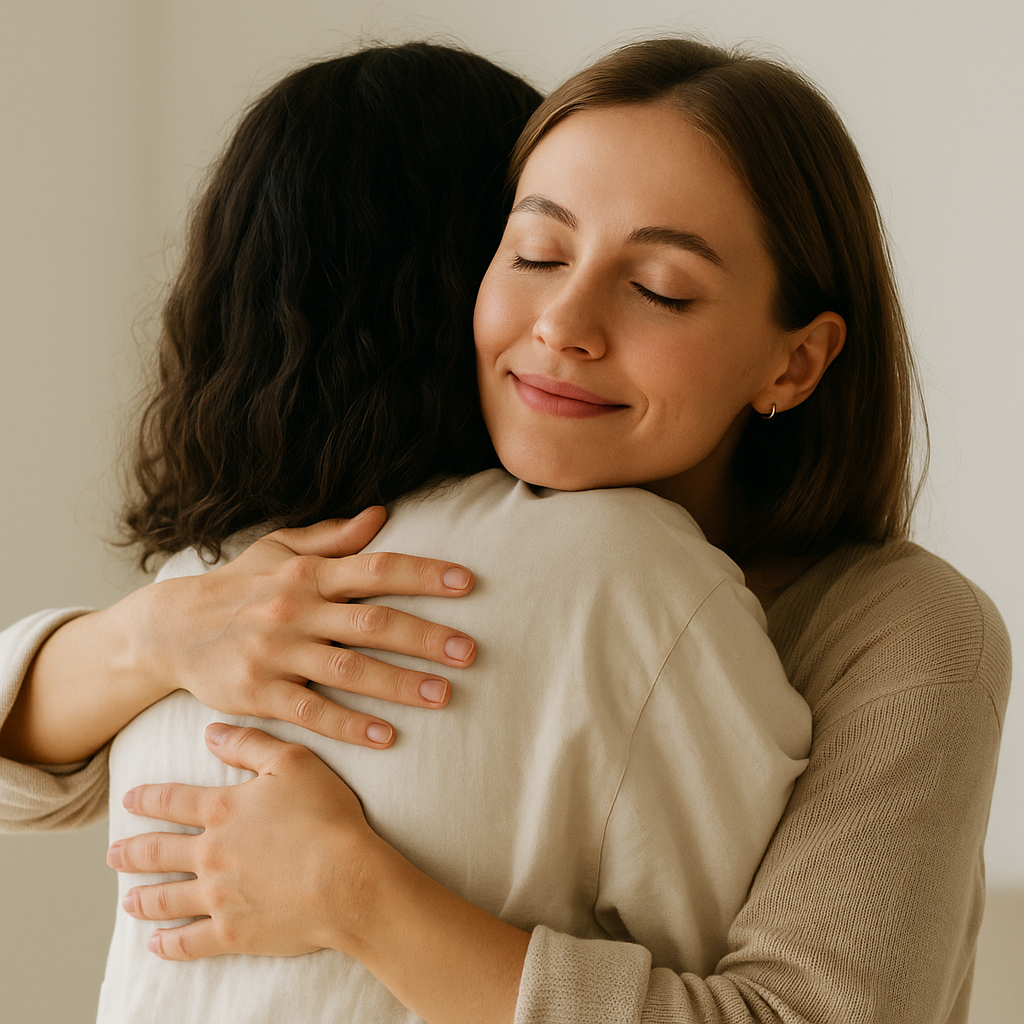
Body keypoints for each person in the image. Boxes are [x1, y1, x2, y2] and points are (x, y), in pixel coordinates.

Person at [0, 36, 1010, 1024]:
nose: (562, 323)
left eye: (659, 287)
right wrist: (153, 633)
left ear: (793, 364)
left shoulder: (904, 629)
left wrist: (358, 895)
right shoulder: (385, 559)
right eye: (533, 252)